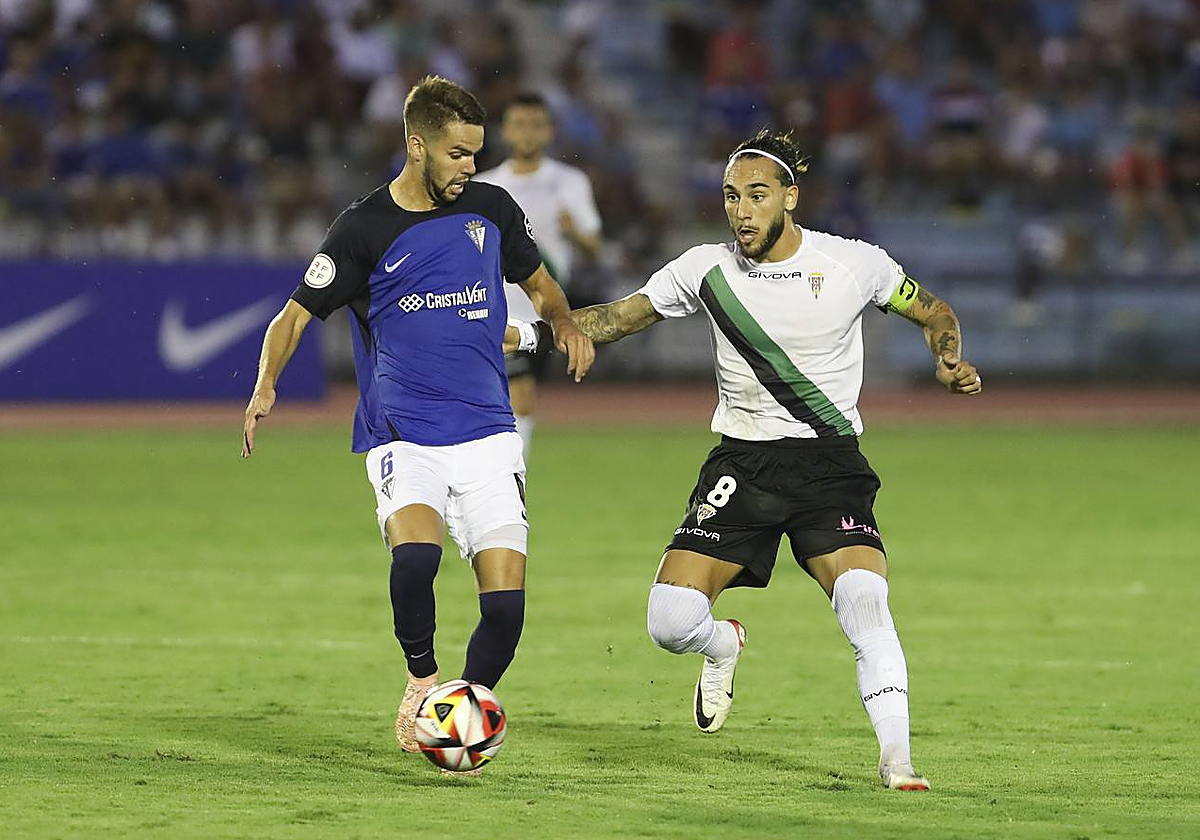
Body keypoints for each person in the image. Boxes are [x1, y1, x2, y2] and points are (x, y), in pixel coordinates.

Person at [570, 128, 981, 791]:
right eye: (731, 196)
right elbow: (617, 318)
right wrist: (526, 334)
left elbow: (934, 312)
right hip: (743, 466)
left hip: (829, 467)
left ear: (791, 196)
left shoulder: (854, 263)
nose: (741, 211)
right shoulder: (704, 269)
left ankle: (897, 760)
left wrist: (948, 356)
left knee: (864, 602)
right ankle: (723, 644)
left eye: (757, 195)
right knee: (669, 623)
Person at [240, 76, 594, 773]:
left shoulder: (492, 209)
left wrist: (562, 321)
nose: (470, 166)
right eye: (458, 154)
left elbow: (541, 283)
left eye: (475, 153)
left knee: (506, 612)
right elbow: (293, 316)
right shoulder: (363, 228)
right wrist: (265, 385)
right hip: (404, 434)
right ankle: (423, 681)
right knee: (416, 560)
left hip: (490, 433)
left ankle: (460, 711)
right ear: (416, 145)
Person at [475, 91, 602, 457]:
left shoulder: (570, 181)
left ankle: (502, 473)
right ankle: (510, 477)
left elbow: (594, 246)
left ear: (550, 131)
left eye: (536, 125)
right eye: (519, 124)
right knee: (520, 394)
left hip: (546, 309)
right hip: (495, 307)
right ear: (504, 131)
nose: (527, 133)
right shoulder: (485, 186)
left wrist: (574, 232)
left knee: (517, 402)